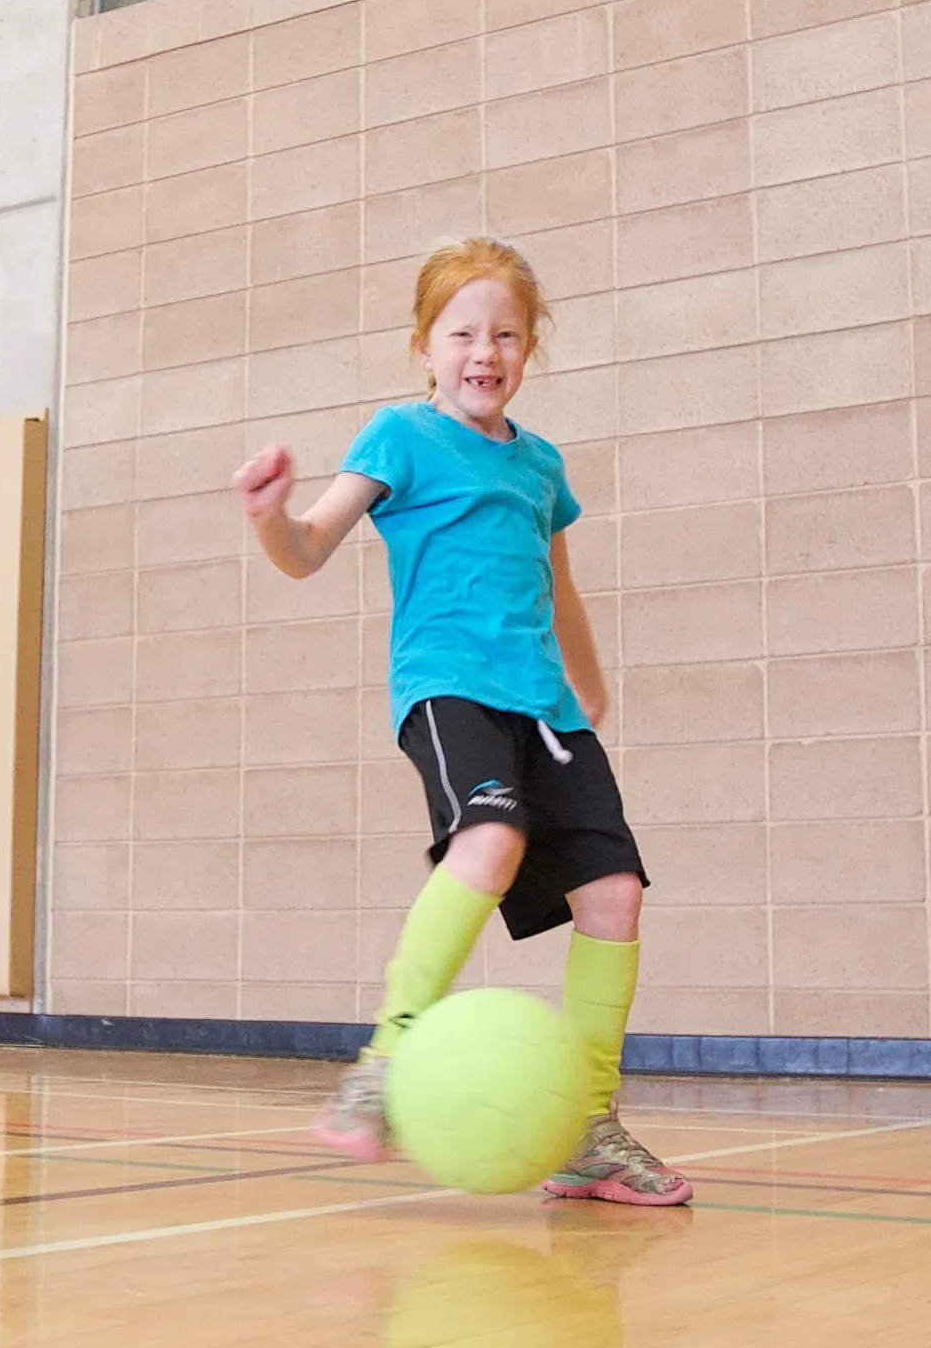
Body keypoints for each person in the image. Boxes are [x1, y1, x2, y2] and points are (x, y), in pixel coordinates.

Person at [230, 237, 685, 1206]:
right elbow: (306, 548)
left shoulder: (541, 465)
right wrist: (270, 515)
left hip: (546, 706)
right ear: (424, 347)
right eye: (463, 334)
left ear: (530, 347)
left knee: (614, 894)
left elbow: (559, 585)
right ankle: (384, 1063)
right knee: (490, 840)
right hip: (448, 687)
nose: (485, 352)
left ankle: (588, 1127)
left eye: (506, 335)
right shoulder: (399, 435)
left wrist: (587, 682)